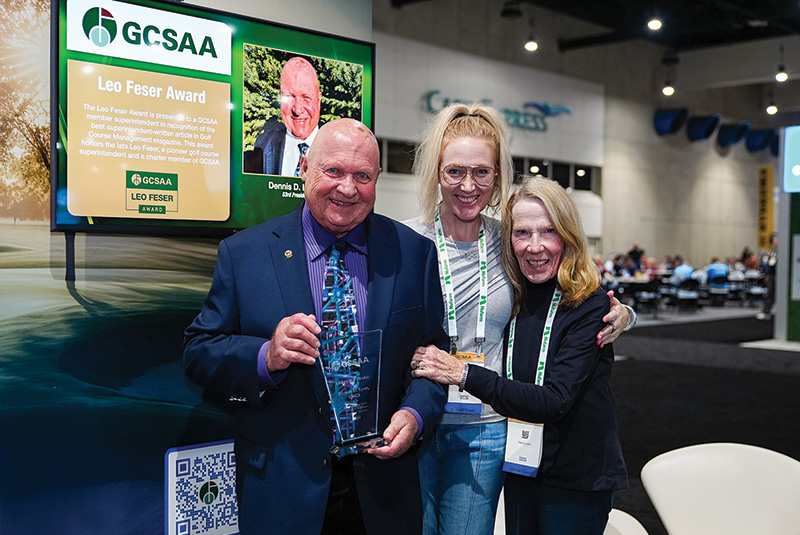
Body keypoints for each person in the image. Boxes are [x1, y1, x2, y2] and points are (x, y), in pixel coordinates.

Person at [184, 118, 449, 534]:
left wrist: (416, 414)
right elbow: (199, 350)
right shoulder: (245, 253)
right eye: (334, 171)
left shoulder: (414, 254)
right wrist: (266, 355)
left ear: (377, 178)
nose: (348, 188)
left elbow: (435, 359)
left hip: (383, 492)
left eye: (362, 175)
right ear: (305, 166)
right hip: (282, 489)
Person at [403, 103, 634, 535]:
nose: (468, 185)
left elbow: (569, 288)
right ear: (436, 172)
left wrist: (622, 312)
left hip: (486, 429)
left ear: (496, 177)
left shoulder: (505, 239)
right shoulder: (407, 241)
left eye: (482, 173)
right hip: (416, 418)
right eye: (455, 171)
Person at [246, 56, 323, 176]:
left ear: (318, 100)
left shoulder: (339, 148)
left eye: (306, 98)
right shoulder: (263, 144)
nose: (297, 110)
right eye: (289, 96)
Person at [757, 233, 778, 320]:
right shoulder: (771, 252)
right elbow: (767, 264)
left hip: (779, 276)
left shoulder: (780, 251)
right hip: (772, 276)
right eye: (774, 240)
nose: (776, 242)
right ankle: (766, 311)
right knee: (770, 294)